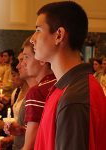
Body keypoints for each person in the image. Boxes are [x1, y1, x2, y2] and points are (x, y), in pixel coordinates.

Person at [30, 1, 106, 150]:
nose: (33, 38)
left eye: (38, 30)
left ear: (59, 35)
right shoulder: (66, 88)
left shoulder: (74, 98)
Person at [22, 37, 56, 150]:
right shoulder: (58, 83)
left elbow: (30, 146)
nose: (23, 63)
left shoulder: (37, 91)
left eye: (26, 57)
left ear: (42, 59)